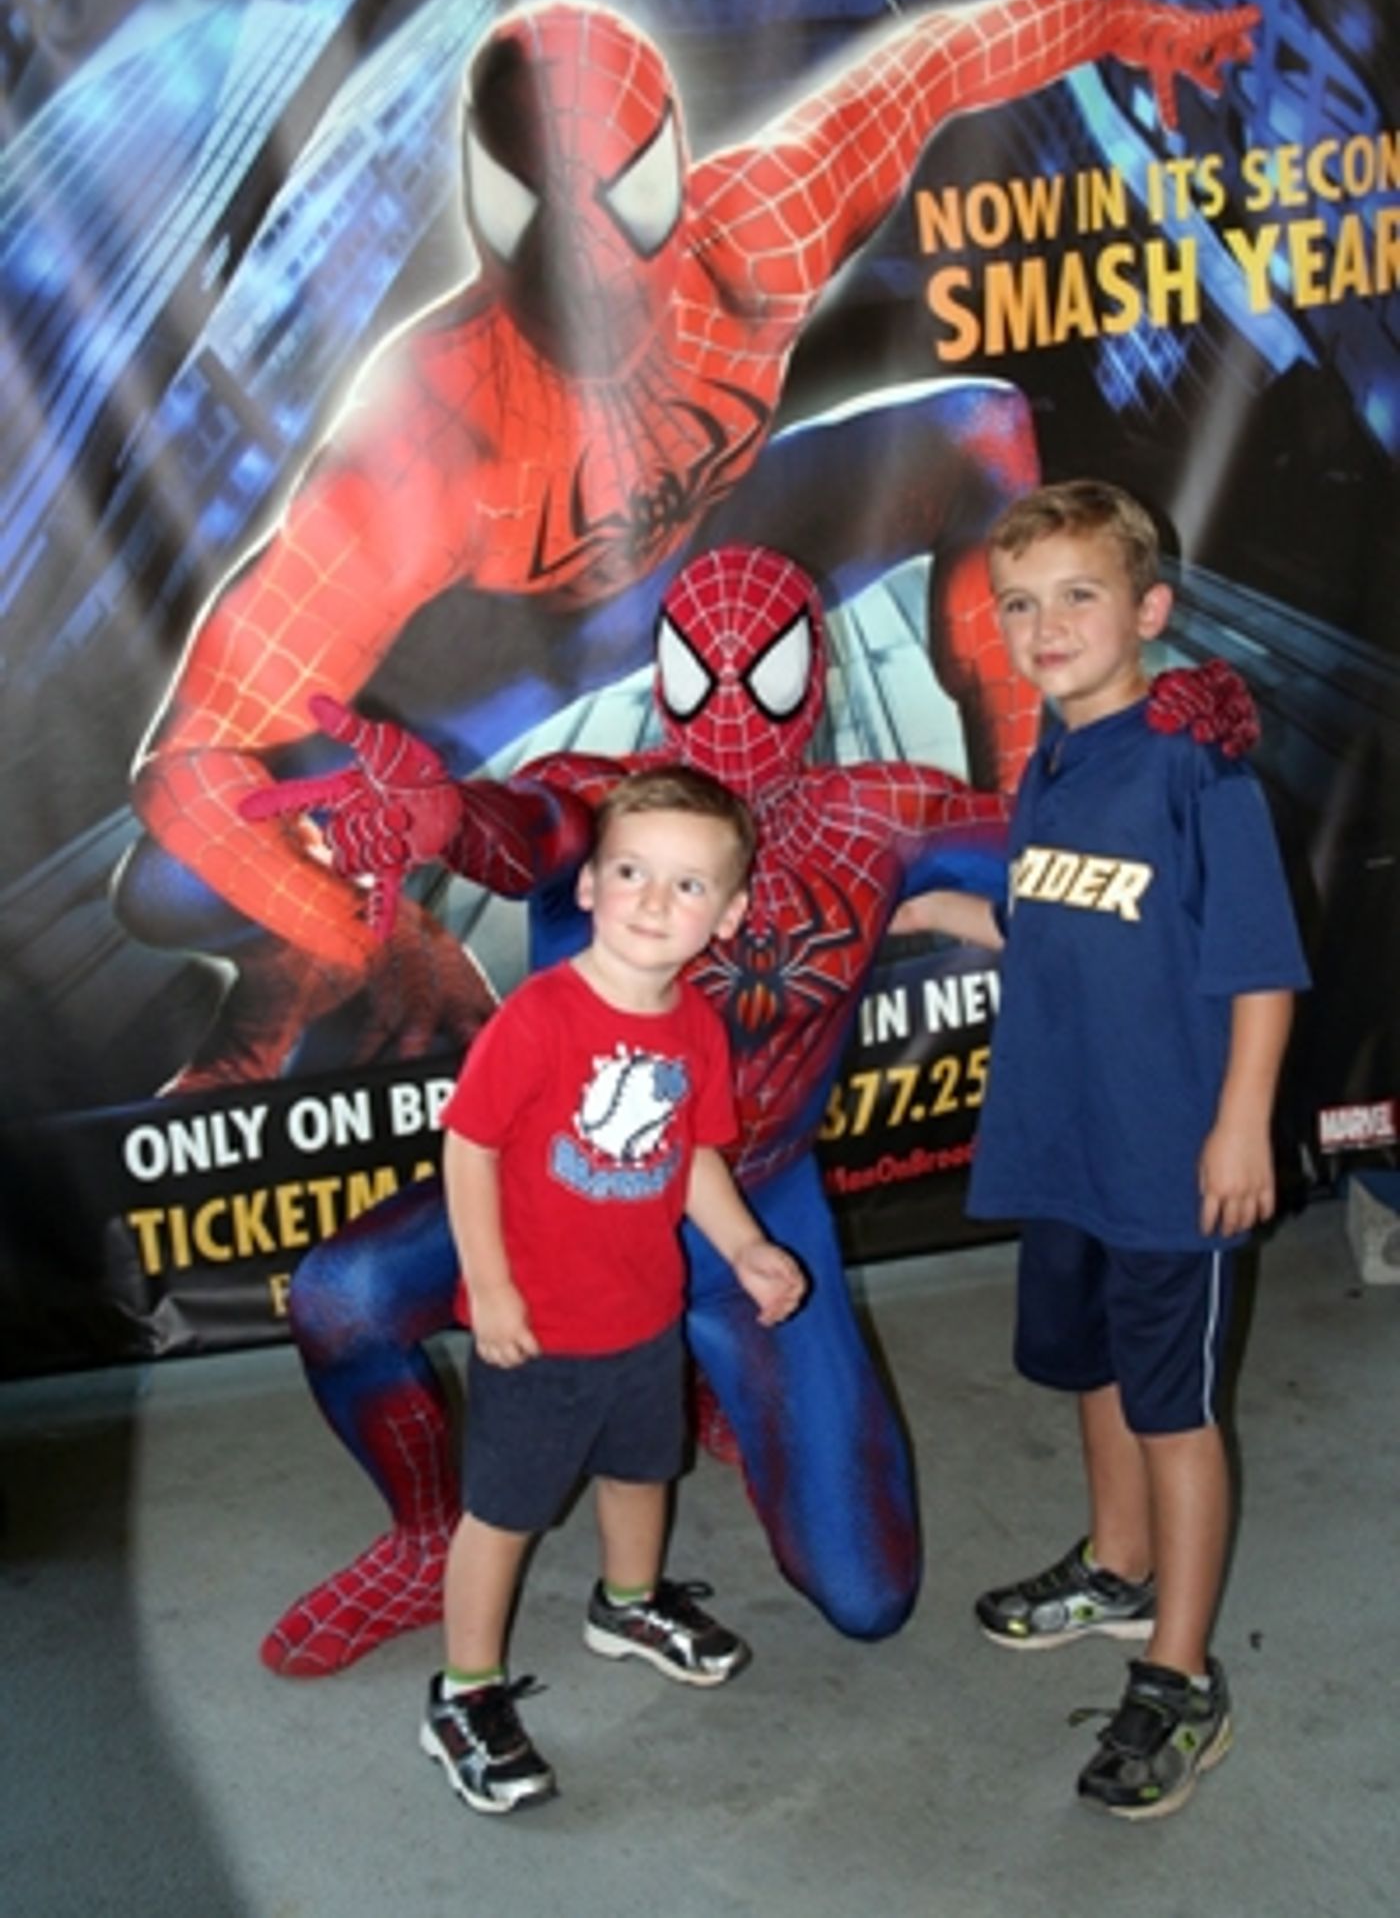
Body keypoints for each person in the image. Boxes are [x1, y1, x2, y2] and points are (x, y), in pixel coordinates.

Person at [114, 0, 1259, 1090]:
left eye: (618, 205)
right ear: (487, 209)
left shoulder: (761, 229)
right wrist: (376, 936)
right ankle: (300, 972)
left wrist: (1131, 24)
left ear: (666, 170)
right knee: (173, 881)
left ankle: (1035, 835)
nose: (589, 262)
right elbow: (192, 766)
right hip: (503, 662)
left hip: (716, 559)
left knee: (978, 430)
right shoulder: (425, 432)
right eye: (544, 214)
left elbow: (941, 63)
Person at [247, 543, 1251, 1678]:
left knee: (866, 1596)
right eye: (700, 669)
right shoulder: (613, 802)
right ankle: (428, 1535)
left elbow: (1073, 865)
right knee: (342, 1297)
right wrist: (441, 820)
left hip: (750, 1208)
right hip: (569, 1197)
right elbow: (529, 827)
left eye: (761, 674)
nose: (729, 708)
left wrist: (1158, 740)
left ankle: (702, 1373)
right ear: (662, 671)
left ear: (812, 679)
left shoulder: (878, 816)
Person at [896, 480, 1308, 1820]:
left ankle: (1178, 1677)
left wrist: (1238, 1124)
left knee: (1172, 1410)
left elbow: (1258, 967)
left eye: (1077, 595)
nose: (1045, 625)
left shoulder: (1196, 769)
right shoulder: (1052, 763)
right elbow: (1051, 916)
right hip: (1060, 1142)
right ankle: (1117, 1568)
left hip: (1167, 1158)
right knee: (1091, 1369)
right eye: (1018, 604)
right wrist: (927, 912)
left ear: (1150, 610)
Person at [422, 765, 806, 1813]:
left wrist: (745, 1248)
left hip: (643, 1315)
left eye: (688, 885)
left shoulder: (695, 1027)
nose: (652, 900)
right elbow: (468, 1149)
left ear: (728, 916)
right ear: (588, 885)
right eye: (631, 872)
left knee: (644, 1470)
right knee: (502, 1513)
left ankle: (628, 1603)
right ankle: (463, 1692)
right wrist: (490, 1287)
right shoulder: (540, 1017)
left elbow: (691, 1156)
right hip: (537, 1330)